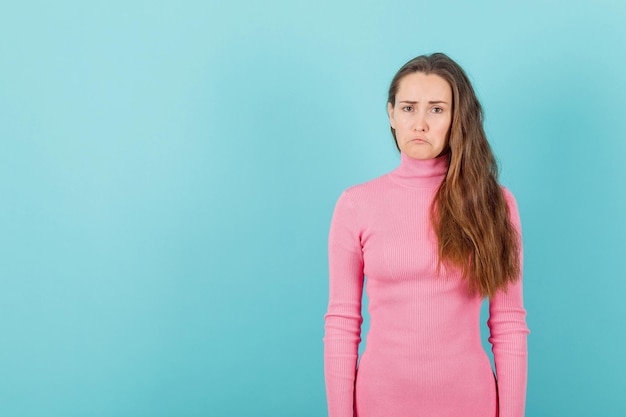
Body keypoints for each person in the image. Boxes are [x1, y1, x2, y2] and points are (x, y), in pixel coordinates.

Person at [323, 53, 529, 417]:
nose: (419, 123)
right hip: (379, 404)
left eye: (436, 110)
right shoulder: (355, 205)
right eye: (408, 108)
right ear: (391, 115)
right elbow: (342, 323)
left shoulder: (494, 203)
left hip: (471, 404)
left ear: (456, 119)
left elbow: (508, 324)